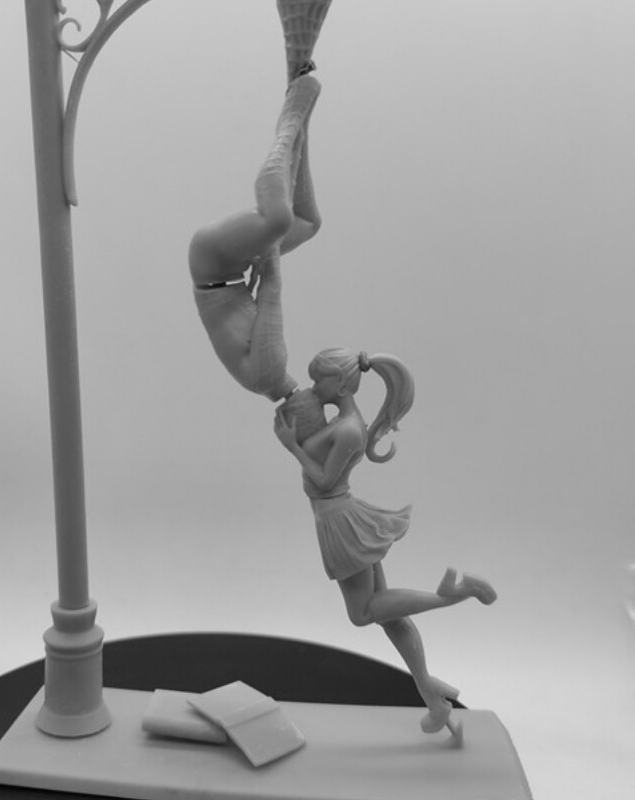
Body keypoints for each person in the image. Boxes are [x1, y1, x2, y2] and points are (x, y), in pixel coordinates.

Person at [274, 348, 497, 736]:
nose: (313, 386)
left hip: (338, 522)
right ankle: (431, 696)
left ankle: (454, 594)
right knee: (389, 616)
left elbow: (324, 480)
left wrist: (291, 447)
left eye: (319, 379)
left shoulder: (348, 429)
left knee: (363, 613)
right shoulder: (343, 421)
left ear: (341, 384)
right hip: (340, 517)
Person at [189, 0, 333, 402]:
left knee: (278, 222)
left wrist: (267, 245)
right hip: (229, 269)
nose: (318, 393)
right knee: (308, 222)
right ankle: (299, 113)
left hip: (214, 264)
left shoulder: (269, 373)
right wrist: (264, 251)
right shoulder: (264, 380)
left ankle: (293, 111)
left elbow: (272, 285)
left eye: (320, 400)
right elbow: (265, 283)